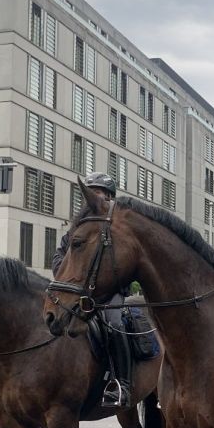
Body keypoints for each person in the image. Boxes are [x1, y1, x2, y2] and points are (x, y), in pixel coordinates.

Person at [53, 171, 135, 409]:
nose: (92, 197)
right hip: (80, 291)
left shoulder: (117, 227)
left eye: (97, 193)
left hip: (110, 291)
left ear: (109, 197)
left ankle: (122, 384)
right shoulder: (79, 228)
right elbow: (61, 256)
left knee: (114, 324)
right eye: (90, 193)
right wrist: (68, 276)